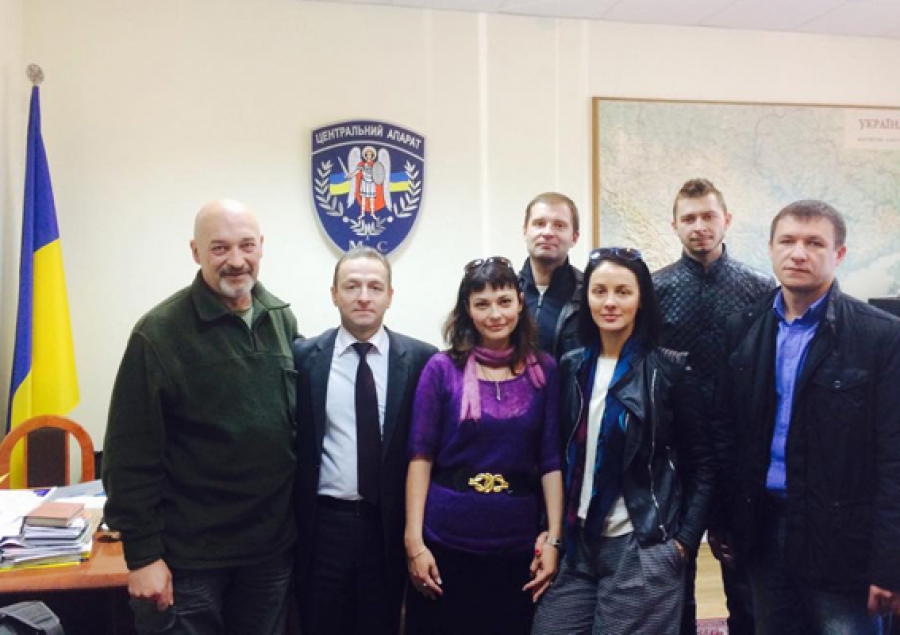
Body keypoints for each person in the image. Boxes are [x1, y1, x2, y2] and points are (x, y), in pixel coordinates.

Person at [103, 199, 298, 635]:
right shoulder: (159, 333)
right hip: (189, 561)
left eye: (246, 245)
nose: (236, 260)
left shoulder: (281, 319)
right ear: (195, 252)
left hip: (268, 556)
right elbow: (128, 455)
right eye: (219, 248)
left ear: (262, 246)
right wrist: (143, 556)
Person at [710, 200, 900, 634]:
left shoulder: (880, 337)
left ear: (839, 254)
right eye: (788, 241)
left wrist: (890, 562)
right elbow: (727, 432)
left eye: (814, 243)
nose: (798, 253)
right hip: (764, 530)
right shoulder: (744, 328)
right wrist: (723, 517)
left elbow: (895, 458)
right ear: (771, 248)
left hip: (844, 541)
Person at [532, 247, 714, 635]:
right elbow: (560, 455)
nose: (610, 302)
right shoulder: (572, 365)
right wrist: (552, 533)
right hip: (579, 542)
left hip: (641, 544)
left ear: (641, 299)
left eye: (623, 292)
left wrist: (682, 544)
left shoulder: (669, 369)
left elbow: (703, 465)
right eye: (599, 291)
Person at [404, 256, 563, 635]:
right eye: (482, 304)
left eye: (504, 301)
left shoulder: (544, 370)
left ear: (520, 303)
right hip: (445, 543)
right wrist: (414, 543)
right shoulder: (441, 369)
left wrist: (555, 539)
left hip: (517, 546)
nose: (495, 314)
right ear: (467, 309)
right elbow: (420, 457)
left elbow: (551, 460)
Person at [292, 246, 436, 635]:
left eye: (375, 287)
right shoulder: (304, 358)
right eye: (351, 286)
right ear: (334, 294)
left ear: (390, 295)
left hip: (387, 529)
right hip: (323, 528)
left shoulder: (422, 360)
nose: (363, 296)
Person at [652, 178, 773, 635]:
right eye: (689, 218)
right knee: (673, 574)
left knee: (744, 580)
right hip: (675, 448)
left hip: (738, 449)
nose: (699, 226)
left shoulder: (760, 289)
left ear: (727, 220)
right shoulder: (654, 289)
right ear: (675, 225)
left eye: (708, 216)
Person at [518, 192, 583, 359]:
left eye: (559, 225)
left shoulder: (589, 296)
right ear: (525, 231)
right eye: (539, 224)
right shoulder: (506, 294)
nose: (547, 232)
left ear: (574, 237)